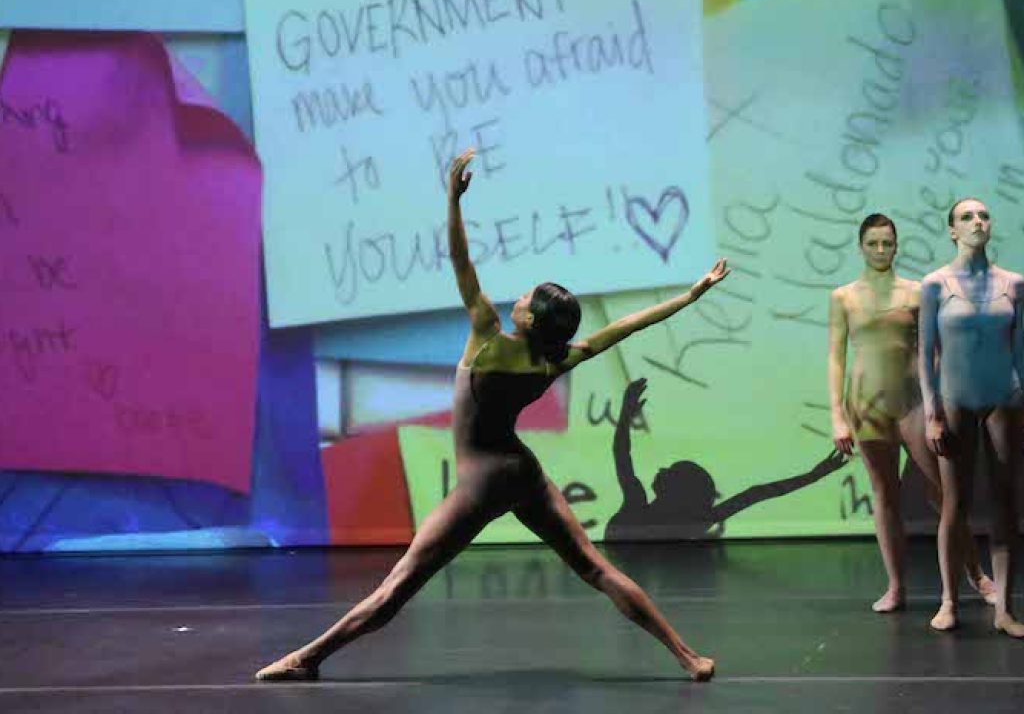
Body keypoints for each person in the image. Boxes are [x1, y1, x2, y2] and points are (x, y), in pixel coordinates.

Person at [256, 148, 730, 684]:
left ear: (528, 316)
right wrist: (689, 296)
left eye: (526, 296)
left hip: (481, 482)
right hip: (521, 473)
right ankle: (689, 657)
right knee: (596, 568)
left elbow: (460, 260)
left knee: (398, 586)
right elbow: (625, 327)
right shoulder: (557, 358)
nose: (519, 295)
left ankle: (307, 657)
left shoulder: (487, 336)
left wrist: (452, 202)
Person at [829, 213, 996, 614]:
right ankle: (896, 586)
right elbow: (836, 357)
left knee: (944, 493)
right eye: (873, 243)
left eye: (888, 243)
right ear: (860, 247)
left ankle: (978, 575)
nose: (881, 250)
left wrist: (938, 403)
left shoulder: (918, 292)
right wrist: (837, 415)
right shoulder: (844, 297)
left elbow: (932, 352)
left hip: (914, 404)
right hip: (867, 406)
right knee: (885, 495)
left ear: (897, 245)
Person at [920, 198, 1024, 635]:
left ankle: (1004, 609)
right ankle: (949, 601)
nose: (977, 221)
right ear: (952, 231)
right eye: (967, 217)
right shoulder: (935, 284)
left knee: (1005, 505)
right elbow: (925, 352)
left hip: (1004, 399)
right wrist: (931, 413)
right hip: (956, 399)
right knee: (955, 504)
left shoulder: (1014, 283)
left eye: (983, 215)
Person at [607, 379, 845, 542]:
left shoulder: (638, 504)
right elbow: (758, 492)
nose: (661, 469)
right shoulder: (697, 521)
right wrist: (815, 475)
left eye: (670, 471)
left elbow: (622, 455)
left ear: (678, 488)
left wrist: (626, 413)